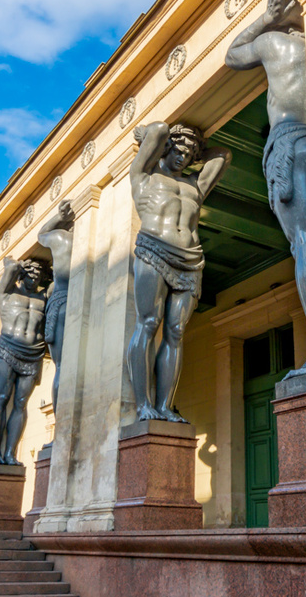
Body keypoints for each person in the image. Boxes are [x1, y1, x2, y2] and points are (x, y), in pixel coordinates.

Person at [225, 0, 306, 378]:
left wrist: (265, 18)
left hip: (288, 142)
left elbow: (232, 55)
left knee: (305, 246)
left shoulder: (273, 43)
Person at [128, 121, 230, 422]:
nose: (183, 157)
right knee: (148, 323)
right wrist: (150, 135)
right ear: (165, 147)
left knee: (176, 332)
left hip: (190, 259)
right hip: (153, 249)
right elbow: (159, 128)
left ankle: (164, 406)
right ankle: (143, 405)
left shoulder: (194, 186)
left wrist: (195, 146)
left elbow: (222, 155)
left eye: (189, 154)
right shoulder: (143, 175)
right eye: (179, 150)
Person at [0, 257, 50, 464]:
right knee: (1, 397)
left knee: (21, 403)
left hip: (34, 353)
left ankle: (10, 453)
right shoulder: (7, 293)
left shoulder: (43, 298)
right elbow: (10, 265)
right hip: (8, 348)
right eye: (30, 274)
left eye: (38, 276)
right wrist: (18, 266)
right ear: (22, 275)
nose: (34, 279)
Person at [38, 201, 76, 408]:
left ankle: (61, 422)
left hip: (61, 302)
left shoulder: (62, 239)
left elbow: (41, 234)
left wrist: (59, 218)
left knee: (61, 366)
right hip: (82, 302)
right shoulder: (69, 239)